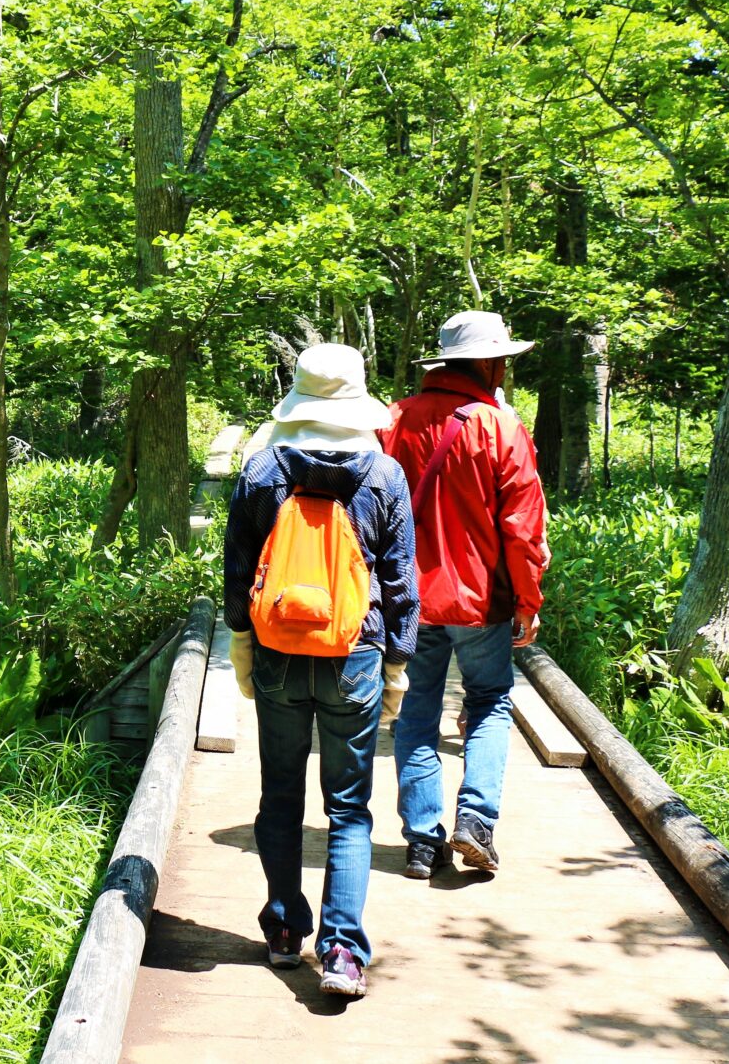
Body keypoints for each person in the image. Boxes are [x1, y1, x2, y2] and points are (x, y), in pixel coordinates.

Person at [225, 343, 420, 999]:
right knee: (349, 809)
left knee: (280, 795)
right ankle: (341, 950)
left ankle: (284, 930)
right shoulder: (385, 475)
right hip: (355, 658)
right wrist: (397, 663)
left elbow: (236, 573)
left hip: (279, 652)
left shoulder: (259, 471)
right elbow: (399, 582)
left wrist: (242, 642)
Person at [382, 310, 549, 881]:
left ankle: (421, 842)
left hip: (407, 599)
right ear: (485, 362)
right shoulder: (502, 428)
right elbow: (523, 528)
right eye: (501, 358)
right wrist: (529, 598)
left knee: (416, 712)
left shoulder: (394, 420)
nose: (504, 368)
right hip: (480, 601)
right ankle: (475, 822)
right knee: (489, 702)